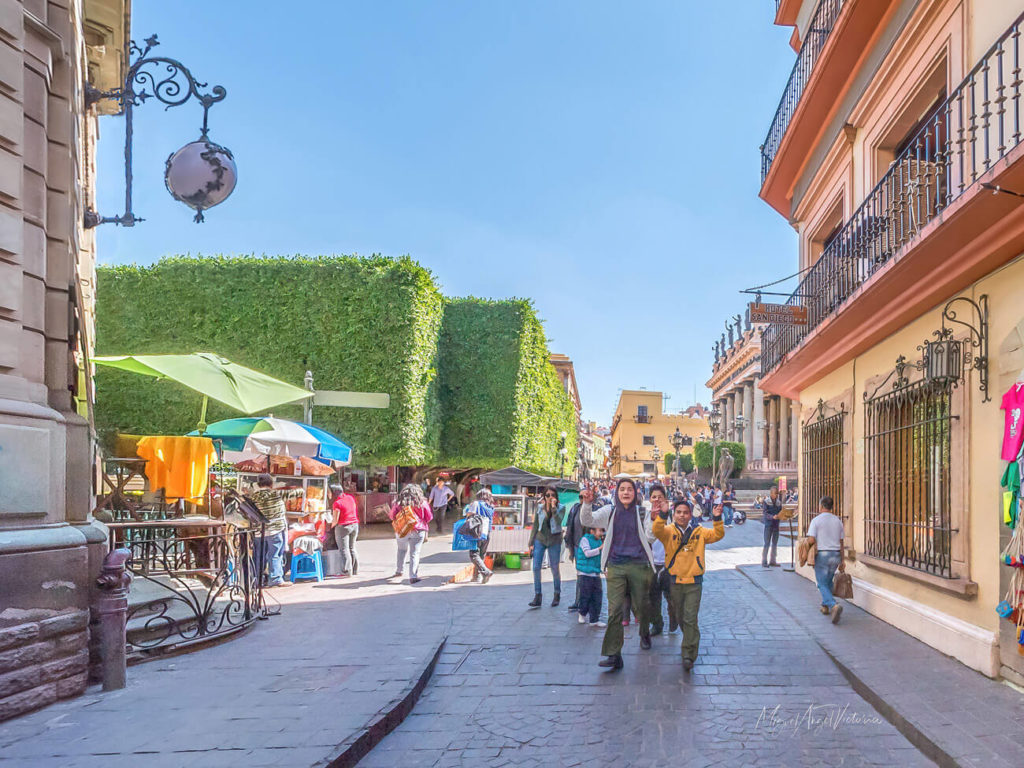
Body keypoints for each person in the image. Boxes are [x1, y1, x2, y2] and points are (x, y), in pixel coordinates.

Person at [580, 478, 657, 671]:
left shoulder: (642, 512)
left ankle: (644, 631)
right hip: (615, 566)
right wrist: (587, 504)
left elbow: (650, 537)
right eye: (622, 489)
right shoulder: (609, 511)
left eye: (629, 489)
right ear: (617, 492)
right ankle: (614, 654)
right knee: (615, 611)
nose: (625, 492)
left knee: (641, 606)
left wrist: (656, 520)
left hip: (639, 565)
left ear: (635, 493)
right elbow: (587, 520)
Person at [652, 498, 725, 671]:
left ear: (690, 514)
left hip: (694, 582)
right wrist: (662, 514)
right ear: (674, 514)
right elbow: (657, 530)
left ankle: (688, 654)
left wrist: (717, 518)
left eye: (685, 512)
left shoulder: (699, 532)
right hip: (675, 581)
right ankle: (691, 639)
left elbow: (717, 534)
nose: (682, 515)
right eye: (678, 512)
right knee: (679, 616)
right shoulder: (669, 531)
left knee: (690, 618)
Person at [249, 473, 304, 587]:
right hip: (275, 530)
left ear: (259, 484)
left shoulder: (254, 496)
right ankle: (275, 578)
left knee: (259, 556)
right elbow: (300, 492)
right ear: (271, 483)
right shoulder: (276, 494)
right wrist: (288, 486)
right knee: (275, 555)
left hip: (259, 531)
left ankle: (257, 580)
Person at [806, 496, 846, 624]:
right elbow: (841, 542)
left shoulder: (816, 521)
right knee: (828, 582)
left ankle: (833, 605)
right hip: (835, 555)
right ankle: (825, 606)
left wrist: (805, 543)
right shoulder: (838, 521)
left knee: (821, 583)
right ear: (831, 506)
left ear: (821, 506)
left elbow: (811, 540)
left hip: (823, 555)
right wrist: (843, 560)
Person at [646, 484, 675, 636]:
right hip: (651, 562)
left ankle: (673, 617)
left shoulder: (672, 515)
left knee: (671, 595)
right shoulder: (645, 515)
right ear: (649, 499)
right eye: (654, 497)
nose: (657, 500)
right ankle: (657, 624)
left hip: (669, 563)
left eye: (660, 497)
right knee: (652, 597)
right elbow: (647, 538)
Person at [389, 484, 433, 583]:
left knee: (401, 550)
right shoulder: (422, 502)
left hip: (402, 530)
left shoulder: (398, 502)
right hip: (418, 530)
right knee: (415, 553)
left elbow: (392, 516)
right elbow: (429, 517)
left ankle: (399, 571)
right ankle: (413, 576)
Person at [528, 487, 564, 607]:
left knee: (554, 568)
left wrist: (553, 509)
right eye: (547, 495)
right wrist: (531, 542)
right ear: (544, 496)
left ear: (556, 496)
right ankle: (538, 595)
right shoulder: (539, 508)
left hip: (554, 539)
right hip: (541, 538)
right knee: (536, 567)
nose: (549, 497)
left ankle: (557, 594)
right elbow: (536, 525)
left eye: (552, 495)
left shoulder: (561, 508)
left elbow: (559, 521)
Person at [462, 488, 495, 583]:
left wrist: (468, 512)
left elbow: (468, 514)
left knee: (473, 554)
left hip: (477, 531)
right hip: (487, 532)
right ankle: (476, 577)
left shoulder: (476, 504)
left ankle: (486, 572)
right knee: (481, 555)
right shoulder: (491, 506)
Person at [575, 527, 606, 627]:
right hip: (585, 573)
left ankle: (594, 619)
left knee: (597, 596)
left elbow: (600, 558)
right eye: (600, 530)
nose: (602, 533)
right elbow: (587, 553)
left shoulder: (599, 541)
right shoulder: (585, 539)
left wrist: (603, 570)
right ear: (592, 531)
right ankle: (582, 613)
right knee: (585, 595)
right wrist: (600, 548)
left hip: (595, 573)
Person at [563, 492, 588, 611]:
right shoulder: (575, 509)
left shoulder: (593, 509)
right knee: (580, 574)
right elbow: (570, 525)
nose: (582, 499)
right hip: (577, 545)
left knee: (589, 575)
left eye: (585, 496)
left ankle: (587, 601)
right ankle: (578, 601)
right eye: (580, 497)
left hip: (590, 547)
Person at [331, 484, 360, 577]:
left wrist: (330, 525)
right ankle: (355, 569)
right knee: (352, 548)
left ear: (334, 493)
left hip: (343, 527)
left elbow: (335, 520)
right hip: (355, 525)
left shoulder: (337, 503)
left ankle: (346, 571)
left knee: (344, 549)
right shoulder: (350, 498)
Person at [762, 486, 783, 567]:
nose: (777, 495)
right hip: (768, 525)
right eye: (775, 493)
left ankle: (773, 560)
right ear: (771, 493)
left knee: (775, 543)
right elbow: (765, 513)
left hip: (776, 524)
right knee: (767, 543)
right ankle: (764, 562)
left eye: (777, 493)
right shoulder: (766, 501)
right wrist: (772, 517)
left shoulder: (778, 502)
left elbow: (781, 511)